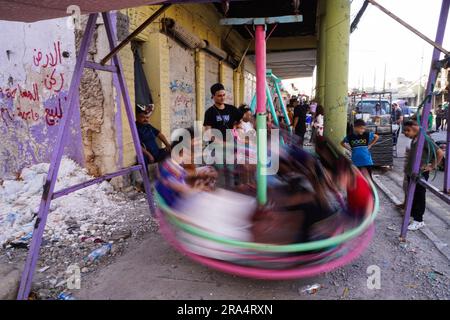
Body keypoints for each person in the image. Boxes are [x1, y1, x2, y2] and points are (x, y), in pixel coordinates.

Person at [402, 120, 444, 231]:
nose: (405, 133)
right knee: (413, 195)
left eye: (407, 130)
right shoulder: (415, 139)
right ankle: (413, 216)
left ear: (415, 128)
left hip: (420, 174)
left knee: (419, 196)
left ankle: (419, 221)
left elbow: (440, 153)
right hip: (411, 173)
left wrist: (432, 166)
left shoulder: (424, 139)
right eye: (404, 131)